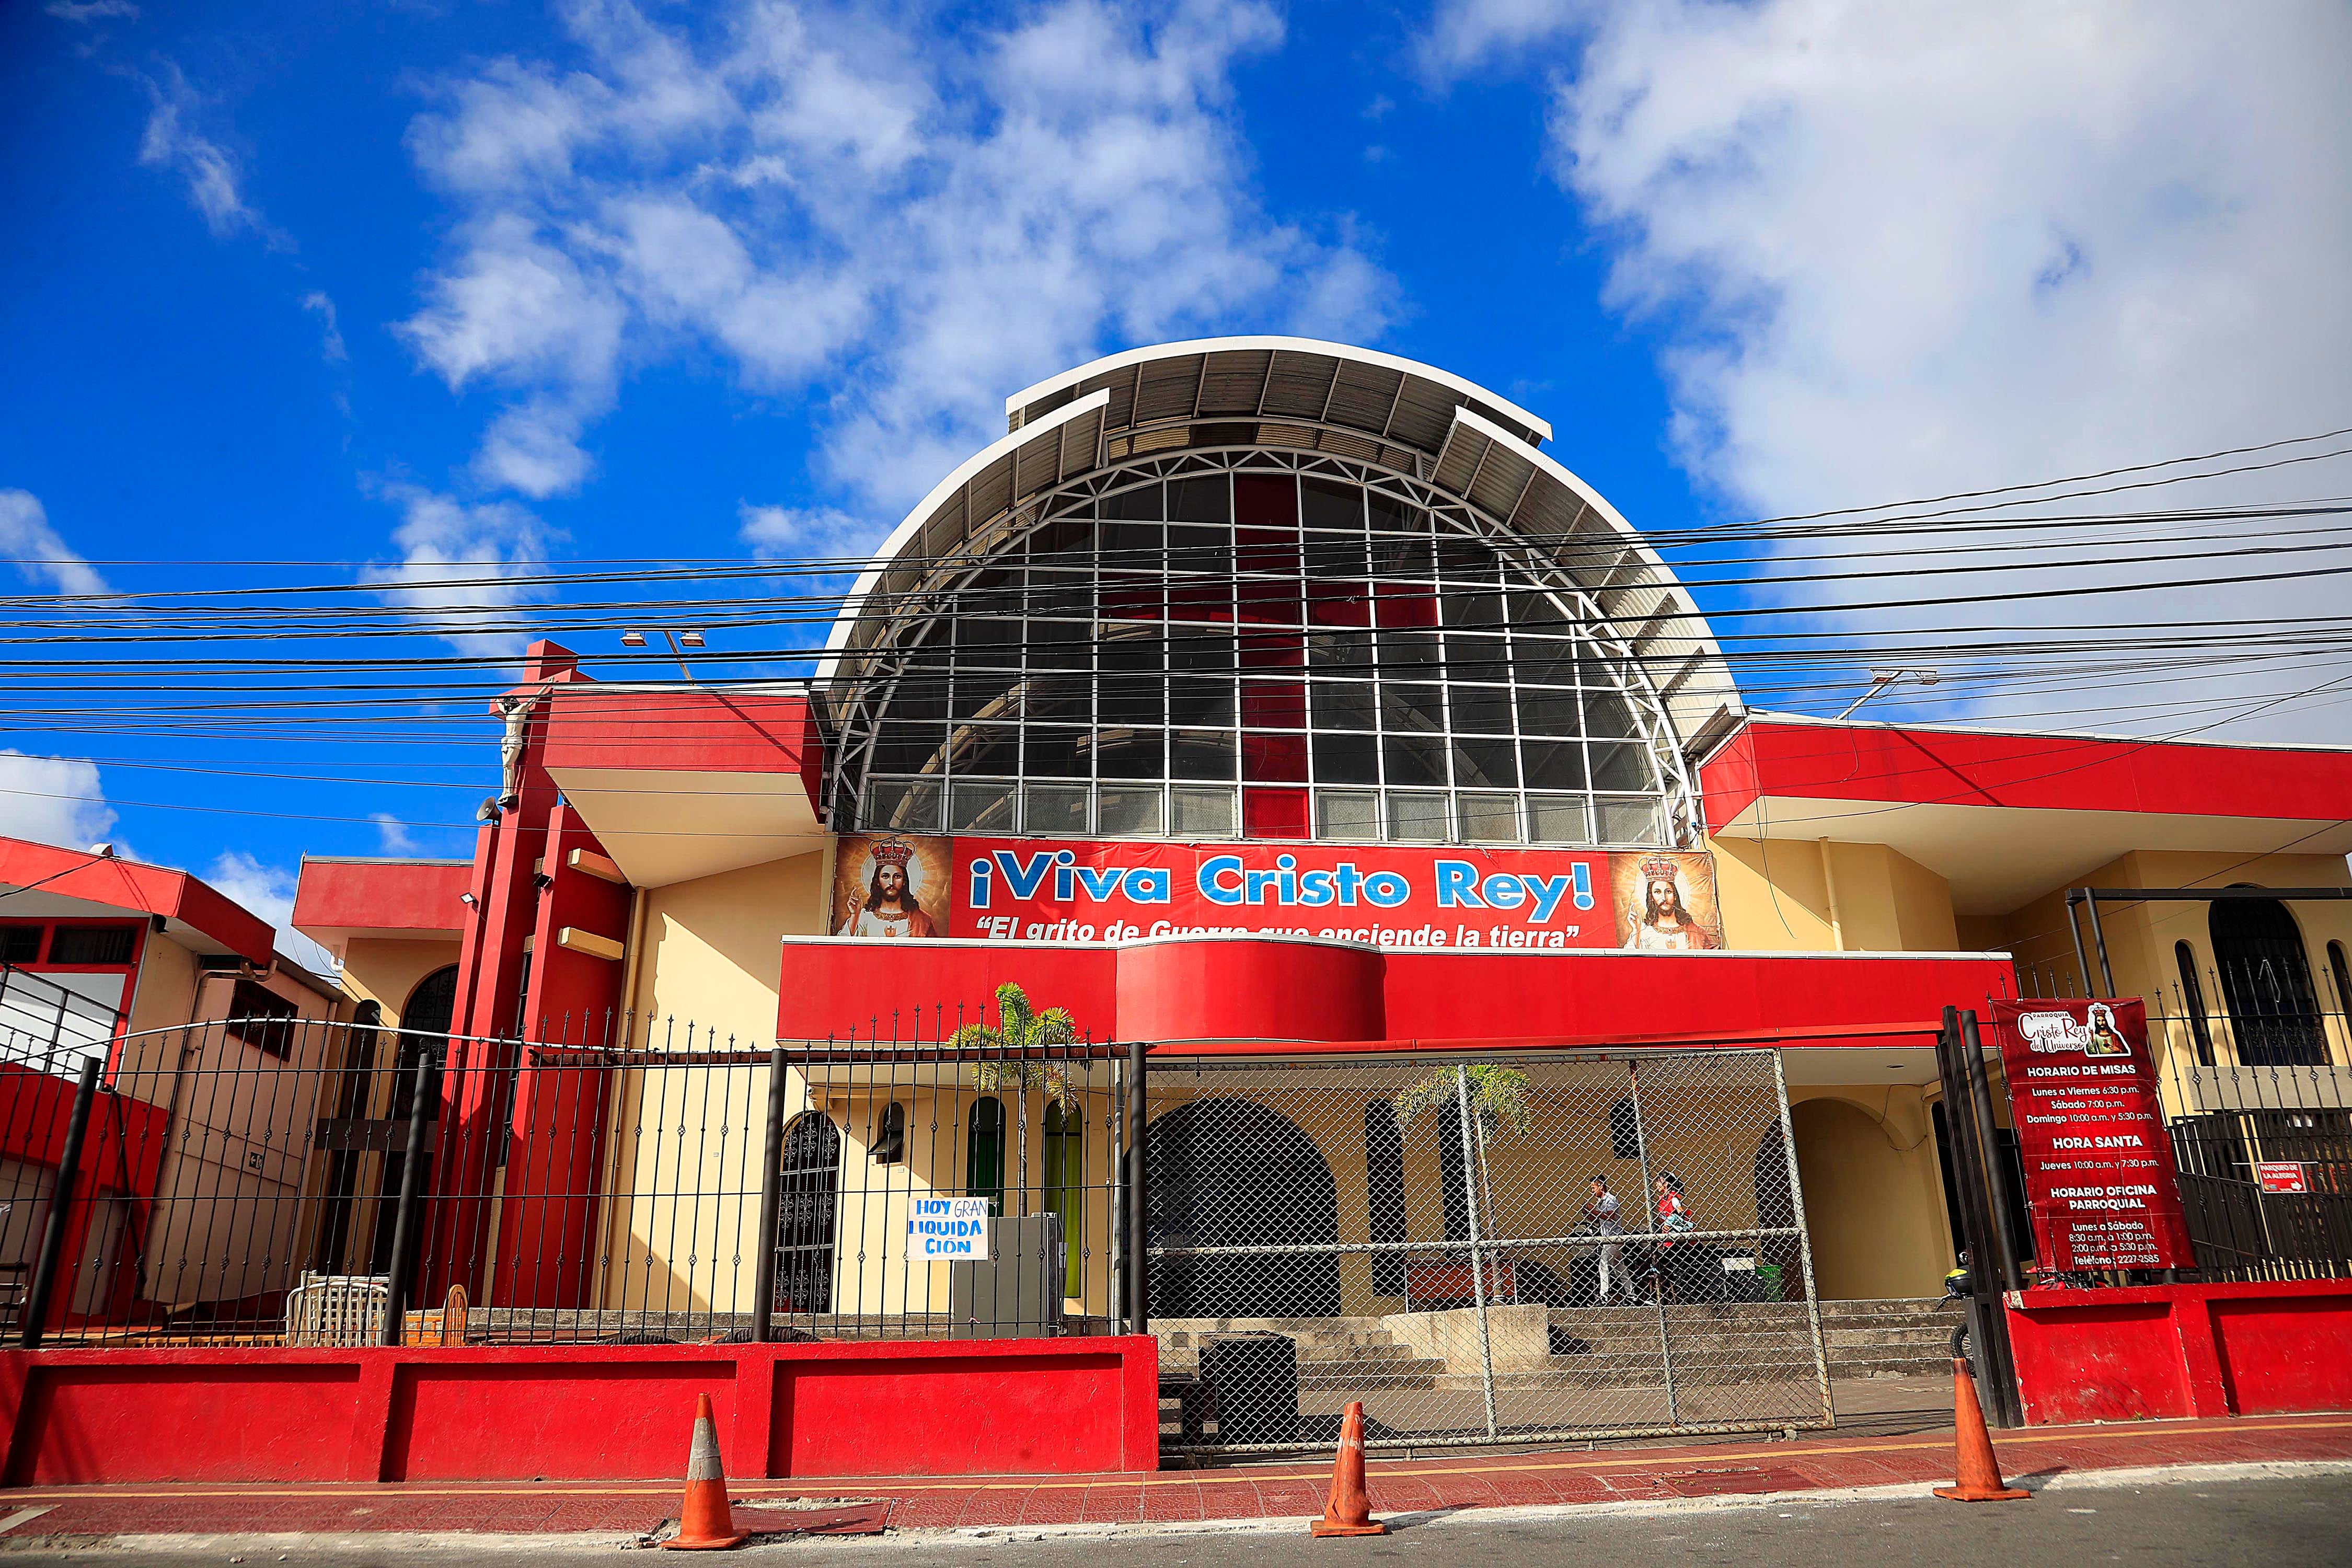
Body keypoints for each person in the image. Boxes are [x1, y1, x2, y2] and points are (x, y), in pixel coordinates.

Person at [844, 841, 938, 938]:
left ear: (904, 881)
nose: (891, 883)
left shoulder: (922, 920)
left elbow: (933, 951)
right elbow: (843, 946)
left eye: (897, 876)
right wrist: (855, 916)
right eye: (886, 876)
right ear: (877, 881)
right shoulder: (865, 917)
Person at [1622, 857, 1719, 951]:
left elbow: (1710, 959)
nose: (1664, 898)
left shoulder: (1696, 931)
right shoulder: (1644, 931)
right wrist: (1637, 930)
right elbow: (1629, 961)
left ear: (1675, 895)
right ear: (1651, 897)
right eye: (1657, 892)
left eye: (1668, 892)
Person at [1581, 1175, 1627, 1305]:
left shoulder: (1611, 1199)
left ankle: (1604, 1296)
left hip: (1615, 1237)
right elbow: (1598, 1220)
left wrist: (1593, 1211)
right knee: (1619, 1267)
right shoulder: (1600, 1202)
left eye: (1594, 1187)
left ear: (1601, 1186)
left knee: (1604, 1264)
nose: (1592, 1191)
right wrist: (1588, 1213)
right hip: (1607, 1238)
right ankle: (1631, 1295)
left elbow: (1610, 1217)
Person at [1650, 1172, 1692, 1301]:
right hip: (1668, 1239)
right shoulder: (1663, 1199)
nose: (1657, 1184)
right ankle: (1673, 1297)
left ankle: (1683, 1298)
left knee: (1677, 1269)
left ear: (1666, 1183)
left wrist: (1670, 1222)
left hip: (1677, 1241)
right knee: (1667, 1268)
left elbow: (1681, 1214)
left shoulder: (1674, 1198)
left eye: (1659, 1181)